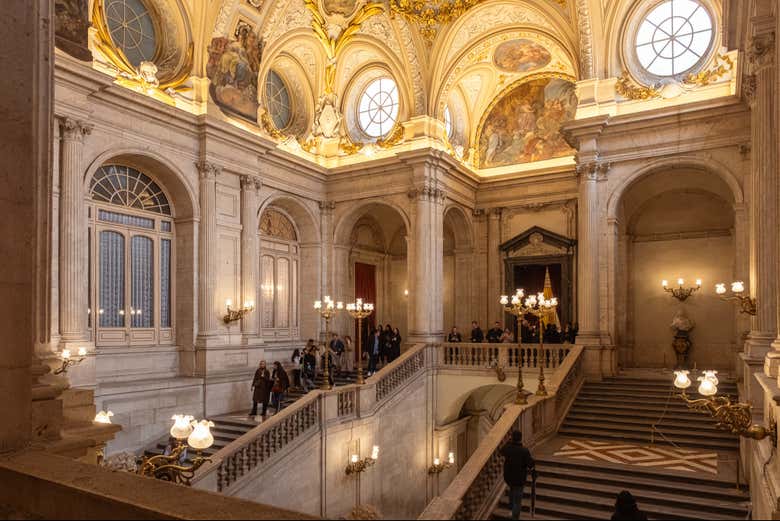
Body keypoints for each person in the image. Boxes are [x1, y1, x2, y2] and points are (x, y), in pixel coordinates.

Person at [501, 431, 535, 521]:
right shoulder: (524, 450)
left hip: (509, 478)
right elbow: (531, 464)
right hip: (519, 479)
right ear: (520, 438)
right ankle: (514, 517)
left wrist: (508, 442)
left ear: (512, 438)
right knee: (517, 500)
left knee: (512, 494)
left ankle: (510, 511)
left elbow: (501, 451)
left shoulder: (508, 448)